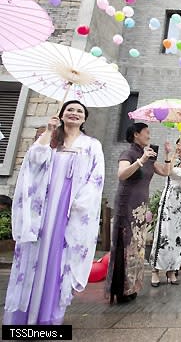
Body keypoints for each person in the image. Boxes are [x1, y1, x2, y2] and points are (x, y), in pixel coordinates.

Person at [3, 101, 105, 325]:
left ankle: (47, 318)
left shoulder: (91, 145)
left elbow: (95, 179)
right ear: (61, 114)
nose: (74, 113)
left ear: (85, 118)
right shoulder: (51, 140)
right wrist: (48, 132)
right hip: (43, 209)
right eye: (70, 109)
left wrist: (78, 206)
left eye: (79, 111)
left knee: (57, 259)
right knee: (34, 257)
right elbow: (33, 162)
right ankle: (22, 319)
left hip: (69, 212)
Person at [105, 123, 172, 304]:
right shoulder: (129, 154)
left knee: (138, 247)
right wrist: (140, 161)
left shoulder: (149, 154)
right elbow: (122, 174)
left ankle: (132, 286)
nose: (149, 136)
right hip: (127, 205)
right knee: (126, 246)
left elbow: (166, 172)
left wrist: (166, 154)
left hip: (141, 207)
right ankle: (121, 289)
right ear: (136, 134)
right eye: (146, 132)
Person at [150, 136, 181, 286]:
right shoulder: (172, 160)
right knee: (163, 234)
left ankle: (171, 271)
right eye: (177, 145)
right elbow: (165, 172)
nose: (179, 148)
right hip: (169, 203)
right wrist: (167, 155)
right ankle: (155, 271)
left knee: (178, 238)